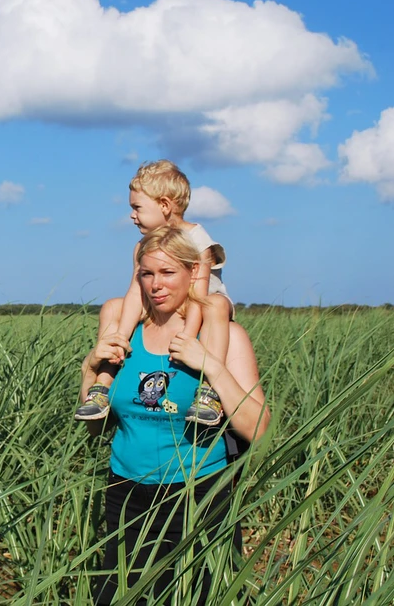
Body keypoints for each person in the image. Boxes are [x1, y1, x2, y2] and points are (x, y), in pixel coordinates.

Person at [79, 226, 270, 605]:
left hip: (198, 494)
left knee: (199, 595)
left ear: (192, 274)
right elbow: (94, 429)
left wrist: (211, 367)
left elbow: (258, 428)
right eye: (147, 274)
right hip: (125, 492)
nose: (156, 285)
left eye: (167, 273)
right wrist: (90, 366)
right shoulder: (124, 329)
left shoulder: (225, 334)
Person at [75, 160, 233, 426]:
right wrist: (121, 338)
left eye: (137, 207)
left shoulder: (198, 241)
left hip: (200, 305)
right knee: (113, 306)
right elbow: (136, 291)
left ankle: (208, 393)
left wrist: (186, 337)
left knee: (215, 304)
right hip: (162, 304)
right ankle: (101, 388)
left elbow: (198, 296)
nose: (131, 215)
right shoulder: (143, 246)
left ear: (164, 206)